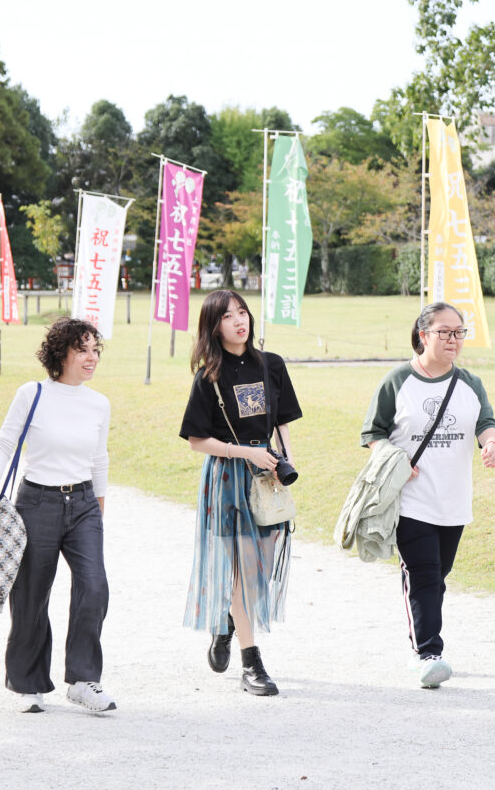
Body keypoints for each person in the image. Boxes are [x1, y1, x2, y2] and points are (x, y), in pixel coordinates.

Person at [361, 302, 495, 688]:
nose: (454, 340)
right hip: (411, 499)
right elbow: (372, 433)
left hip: (454, 501)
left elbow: (486, 422)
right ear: (424, 335)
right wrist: (395, 458)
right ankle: (428, 652)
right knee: (423, 574)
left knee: (438, 576)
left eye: (459, 332)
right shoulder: (397, 381)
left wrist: (491, 444)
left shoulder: (470, 383)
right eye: (445, 332)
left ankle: (421, 639)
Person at [180, 289, 301, 696]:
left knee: (259, 570)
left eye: (243, 312)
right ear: (214, 327)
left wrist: (287, 462)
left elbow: (283, 421)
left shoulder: (272, 365)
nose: (239, 321)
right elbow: (197, 440)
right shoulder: (209, 376)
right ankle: (253, 663)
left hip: (266, 477)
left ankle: (228, 622)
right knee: (242, 571)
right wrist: (241, 451)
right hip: (227, 480)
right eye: (228, 316)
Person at [0, 318, 114, 714]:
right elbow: (5, 442)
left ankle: (82, 680)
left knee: (94, 586)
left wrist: (98, 503)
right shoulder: (33, 394)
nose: (91, 357)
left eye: (95, 349)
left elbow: (99, 457)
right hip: (36, 503)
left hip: (82, 504)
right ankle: (29, 684)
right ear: (61, 352)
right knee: (30, 594)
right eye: (83, 349)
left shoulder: (99, 403)